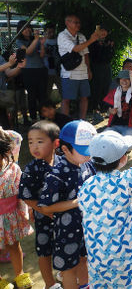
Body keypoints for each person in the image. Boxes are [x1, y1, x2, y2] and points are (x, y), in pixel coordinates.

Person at [78, 122, 132, 288]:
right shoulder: (124, 181)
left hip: (96, 252)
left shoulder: (86, 184)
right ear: (123, 158)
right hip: (122, 255)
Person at [38, 120, 97, 289]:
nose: (89, 154)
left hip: (86, 227)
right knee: (69, 269)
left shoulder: (88, 164)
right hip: (67, 231)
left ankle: (85, 286)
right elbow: (46, 207)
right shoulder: (56, 175)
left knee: (83, 259)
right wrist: (76, 203)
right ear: (65, 149)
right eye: (84, 150)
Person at [19, 121, 63, 289]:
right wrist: (44, 211)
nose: (34, 146)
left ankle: (63, 272)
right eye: (30, 142)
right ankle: (50, 284)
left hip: (64, 217)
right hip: (43, 218)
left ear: (55, 143)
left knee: (64, 245)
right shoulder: (31, 168)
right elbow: (26, 196)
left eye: (40, 141)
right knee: (44, 252)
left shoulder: (63, 163)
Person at [0, 128, 34, 289]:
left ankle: (20, 274)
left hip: (11, 217)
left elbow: (22, 190)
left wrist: (28, 210)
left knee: (14, 246)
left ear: (5, 151)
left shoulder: (13, 168)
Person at [57, 15, 104, 119]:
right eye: (75, 22)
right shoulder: (62, 36)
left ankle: (82, 120)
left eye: (79, 22)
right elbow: (76, 49)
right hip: (69, 74)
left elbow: (86, 54)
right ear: (67, 23)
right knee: (66, 99)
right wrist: (91, 40)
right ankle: (64, 121)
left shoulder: (81, 36)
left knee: (84, 97)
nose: (78, 24)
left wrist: (89, 69)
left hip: (83, 73)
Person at [16, 20, 48, 122]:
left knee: (42, 95)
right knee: (32, 95)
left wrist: (42, 44)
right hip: (28, 71)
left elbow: (42, 55)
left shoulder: (37, 40)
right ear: (20, 30)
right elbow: (28, 52)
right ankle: (33, 118)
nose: (27, 30)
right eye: (24, 28)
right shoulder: (19, 41)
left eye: (28, 27)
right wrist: (36, 39)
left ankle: (44, 116)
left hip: (41, 69)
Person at [103, 70, 132, 137]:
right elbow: (108, 107)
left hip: (130, 126)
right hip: (115, 124)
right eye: (122, 79)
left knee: (127, 141)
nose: (124, 81)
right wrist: (111, 111)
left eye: (127, 79)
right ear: (119, 80)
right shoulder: (114, 92)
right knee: (106, 138)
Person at [88, 27, 114, 120]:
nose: (103, 33)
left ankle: (105, 109)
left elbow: (110, 55)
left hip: (106, 67)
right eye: (101, 31)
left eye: (105, 31)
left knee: (106, 87)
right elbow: (93, 56)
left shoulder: (109, 41)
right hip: (96, 67)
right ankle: (95, 110)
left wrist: (108, 47)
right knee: (96, 88)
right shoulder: (92, 41)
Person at [0, 53, 26, 128]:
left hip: (2, 96)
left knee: (5, 125)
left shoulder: (0, 58)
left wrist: (18, 67)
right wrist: (9, 63)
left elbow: (8, 73)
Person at [42, 23, 62, 98]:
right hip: (47, 71)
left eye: (53, 32)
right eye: (49, 32)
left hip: (58, 70)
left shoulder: (59, 40)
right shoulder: (42, 42)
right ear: (45, 32)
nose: (51, 34)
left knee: (62, 91)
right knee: (47, 92)